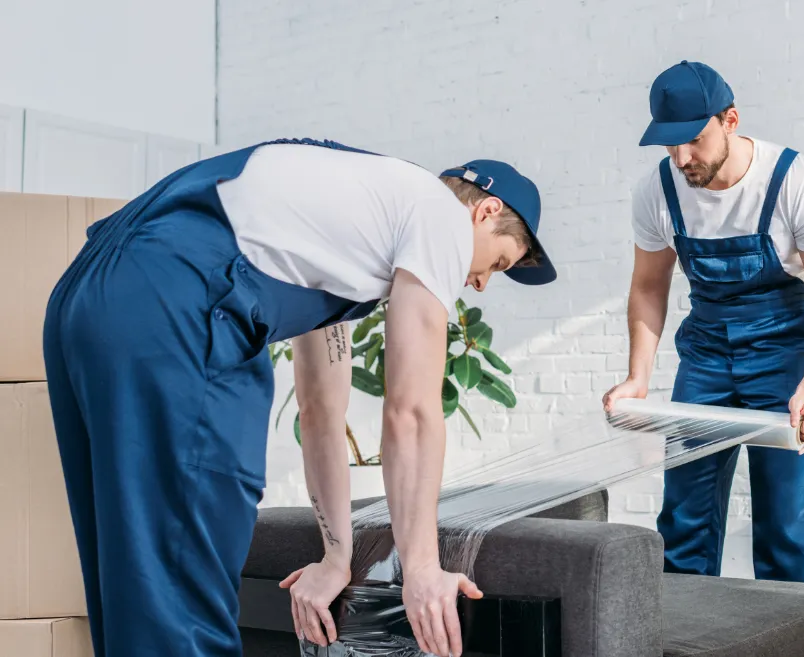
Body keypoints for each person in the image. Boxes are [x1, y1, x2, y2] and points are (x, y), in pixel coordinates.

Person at [41, 137, 556, 657]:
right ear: (485, 210)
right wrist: (421, 570)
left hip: (92, 293)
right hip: (175, 303)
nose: (483, 283)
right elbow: (413, 412)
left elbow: (320, 414)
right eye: (499, 262)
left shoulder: (353, 219)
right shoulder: (439, 214)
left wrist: (337, 558)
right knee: (184, 576)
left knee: (137, 575)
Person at [603, 61, 804, 585]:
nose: (681, 158)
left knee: (790, 524)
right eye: (668, 145)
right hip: (707, 356)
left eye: (692, 141)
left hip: (786, 356)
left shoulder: (794, 182)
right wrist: (637, 377)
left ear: (731, 120)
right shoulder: (658, 190)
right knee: (684, 519)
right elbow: (649, 286)